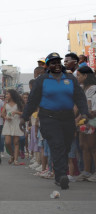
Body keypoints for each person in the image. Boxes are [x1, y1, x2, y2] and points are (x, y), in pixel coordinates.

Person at [22, 52, 91, 190]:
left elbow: (80, 97)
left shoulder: (70, 78)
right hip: (49, 118)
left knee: (65, 147)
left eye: (58, 62)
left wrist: (84, 113)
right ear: (48, 66)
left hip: (67, 118)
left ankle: (60, 173)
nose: (57, 65)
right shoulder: (42, 80)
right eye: (53, 63)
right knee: (58, 144)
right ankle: (60, 176)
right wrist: (24, 117)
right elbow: (32, 100)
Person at [76, 67, 96, 182]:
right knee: (83, 146)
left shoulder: (93, 88)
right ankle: (86, 171)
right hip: (83, 120)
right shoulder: (81, 88)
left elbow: (89, 106)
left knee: (93, 147)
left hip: (92, 120)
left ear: (85, 76)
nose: (77, 77)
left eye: (79, 75)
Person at [2, 89, 24, 165]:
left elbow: (24, 113)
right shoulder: (5, 104)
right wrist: (5, 117)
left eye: (7, 94)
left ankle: (16, 160)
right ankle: (12, 155)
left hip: (16, 122)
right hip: (8, 123)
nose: (6, 95)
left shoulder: (18, 103)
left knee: (16, 142)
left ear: (12, 95)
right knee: (7, 142)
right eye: (6, 94)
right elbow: (2, 114)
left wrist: (16, 112)